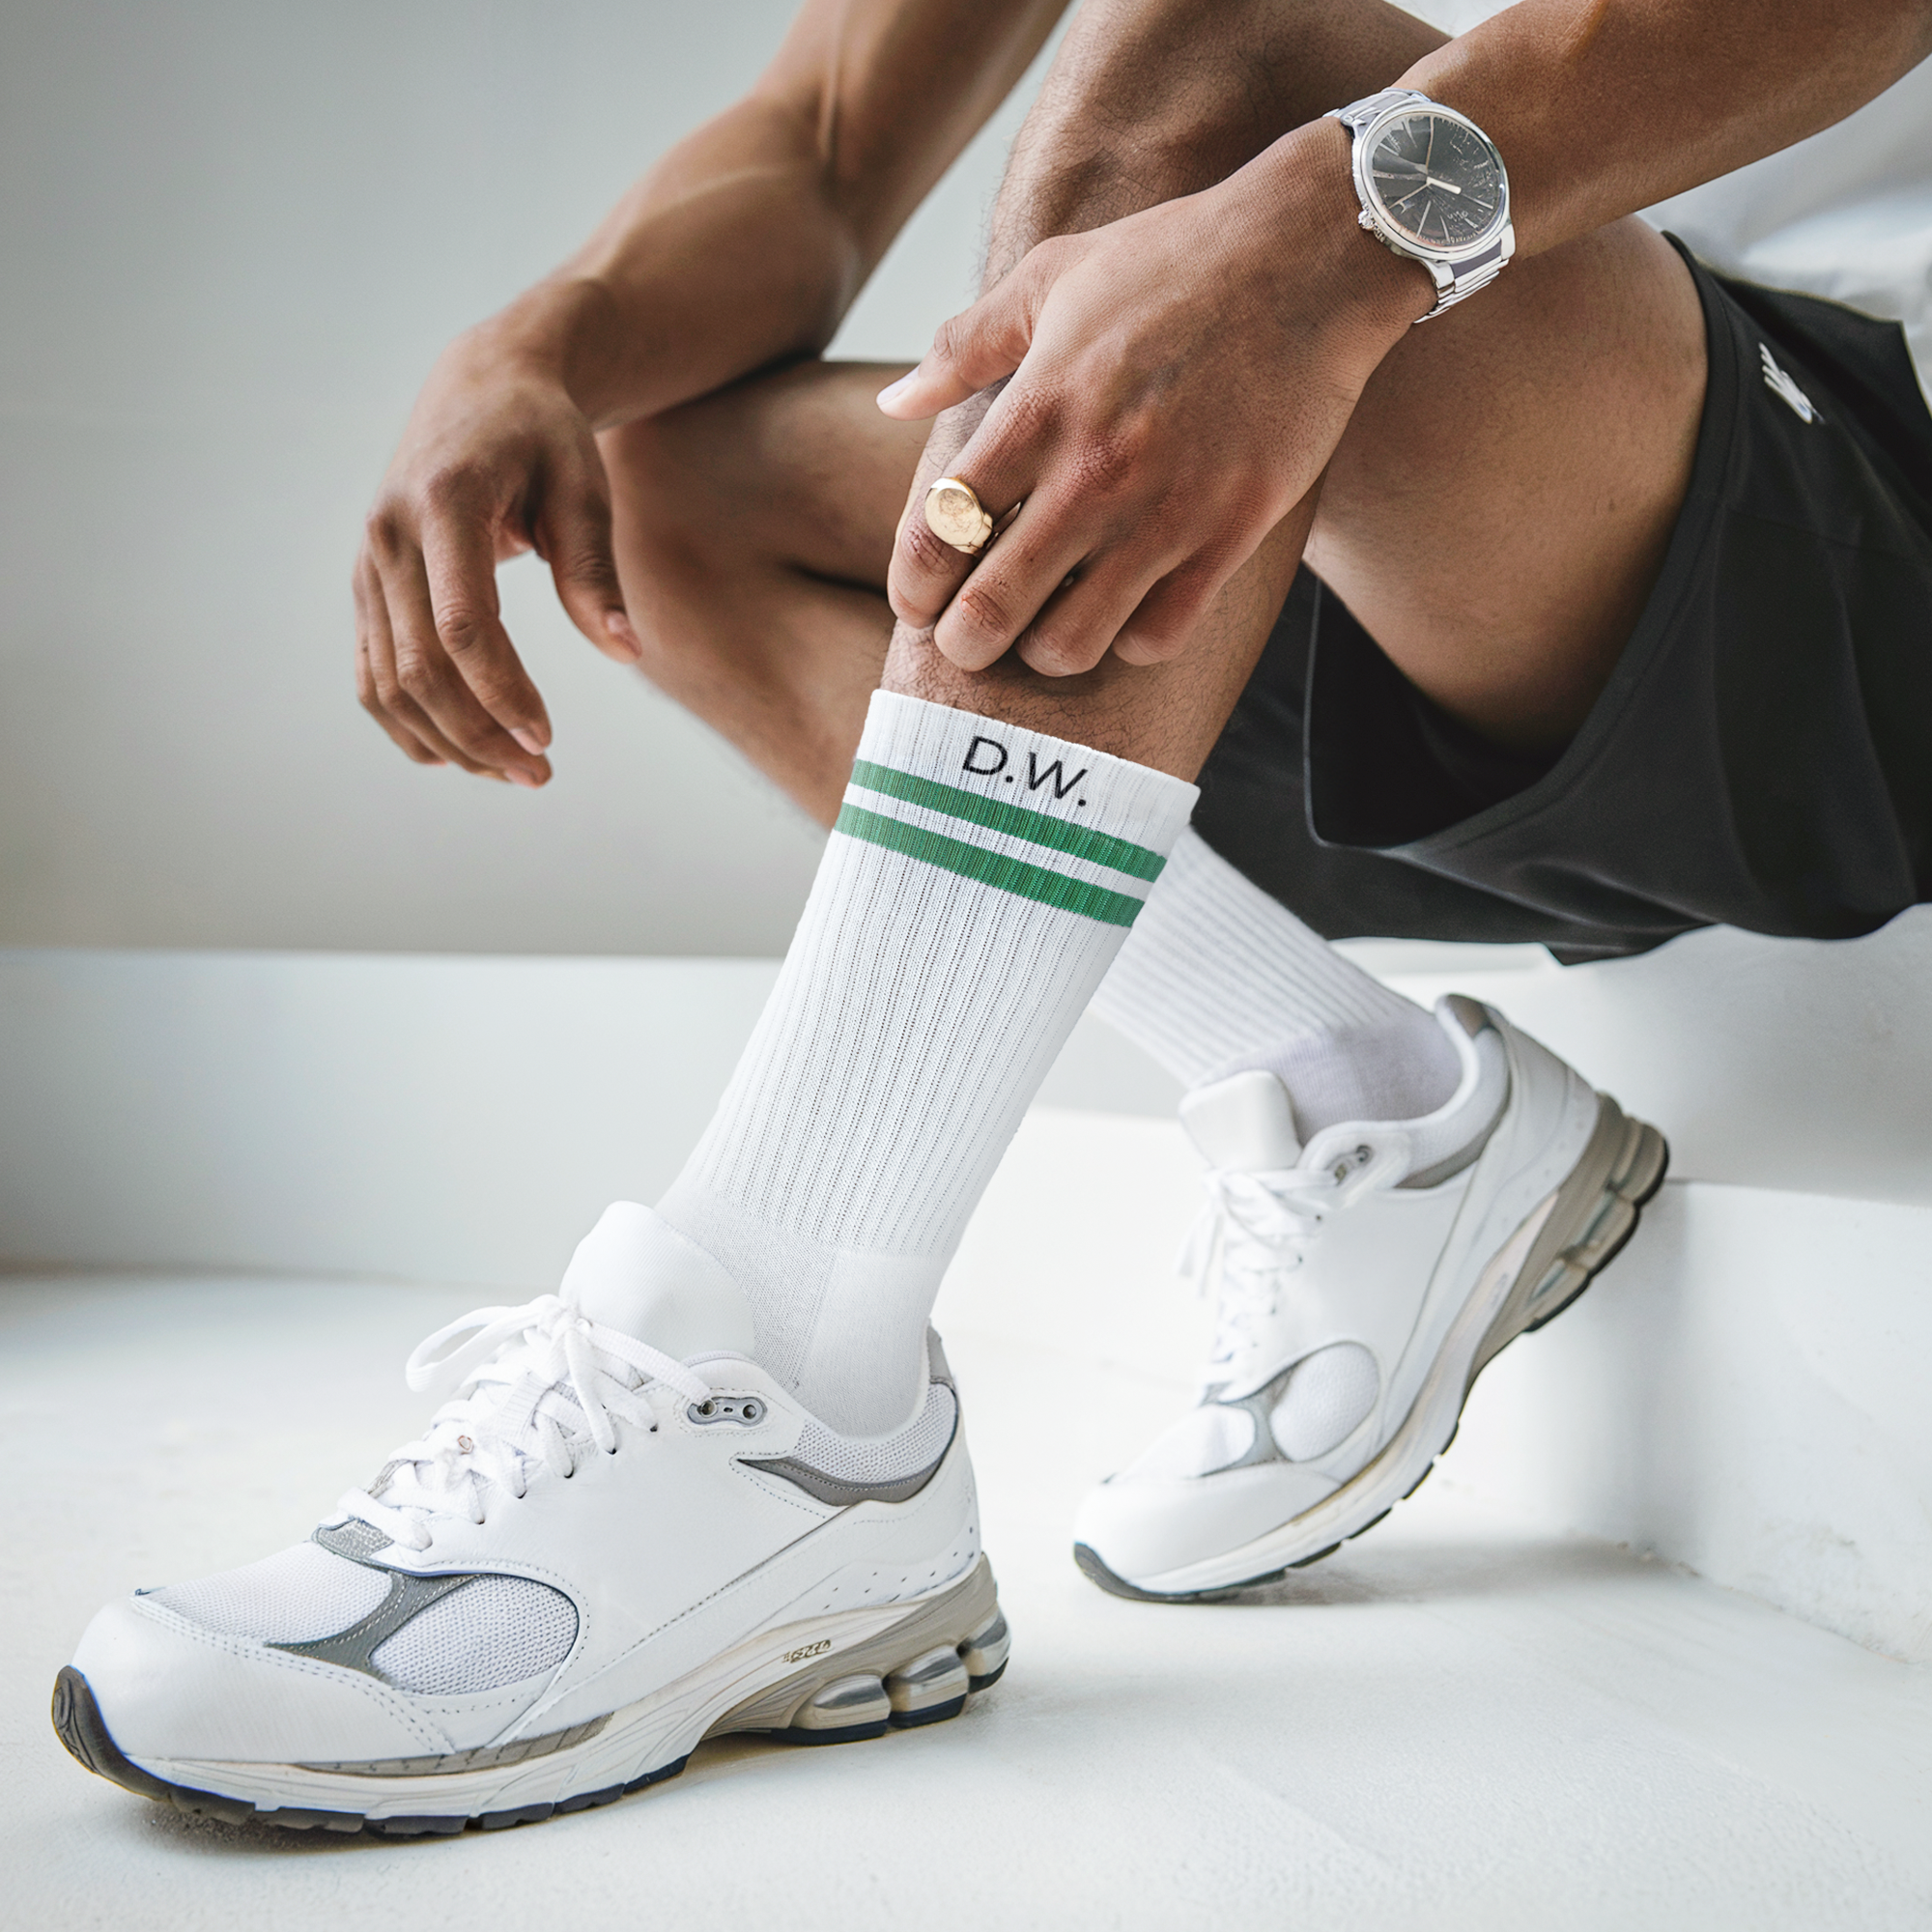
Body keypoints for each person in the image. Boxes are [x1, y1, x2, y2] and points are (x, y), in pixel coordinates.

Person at [52, 0, 1932, 1833]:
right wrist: (539, 336)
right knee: (653, 478)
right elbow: (816, 150)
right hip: (1437, 576)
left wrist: (1333, 228)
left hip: (1850, 550)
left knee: (1217, 69)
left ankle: (794, 1368)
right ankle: (1363, 1095)